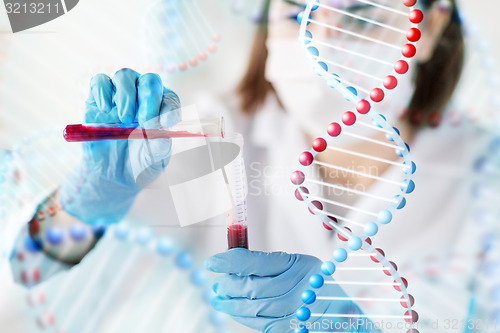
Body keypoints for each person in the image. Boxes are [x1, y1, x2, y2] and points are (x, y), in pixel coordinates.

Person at [5, 0, 492, 332]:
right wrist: (88, 202)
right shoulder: (213, 135)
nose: (320, 44)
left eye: (361, 16)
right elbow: (26, 272)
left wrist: (348, 323)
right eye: (297, 13)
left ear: (427, 28)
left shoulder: (486, 182)